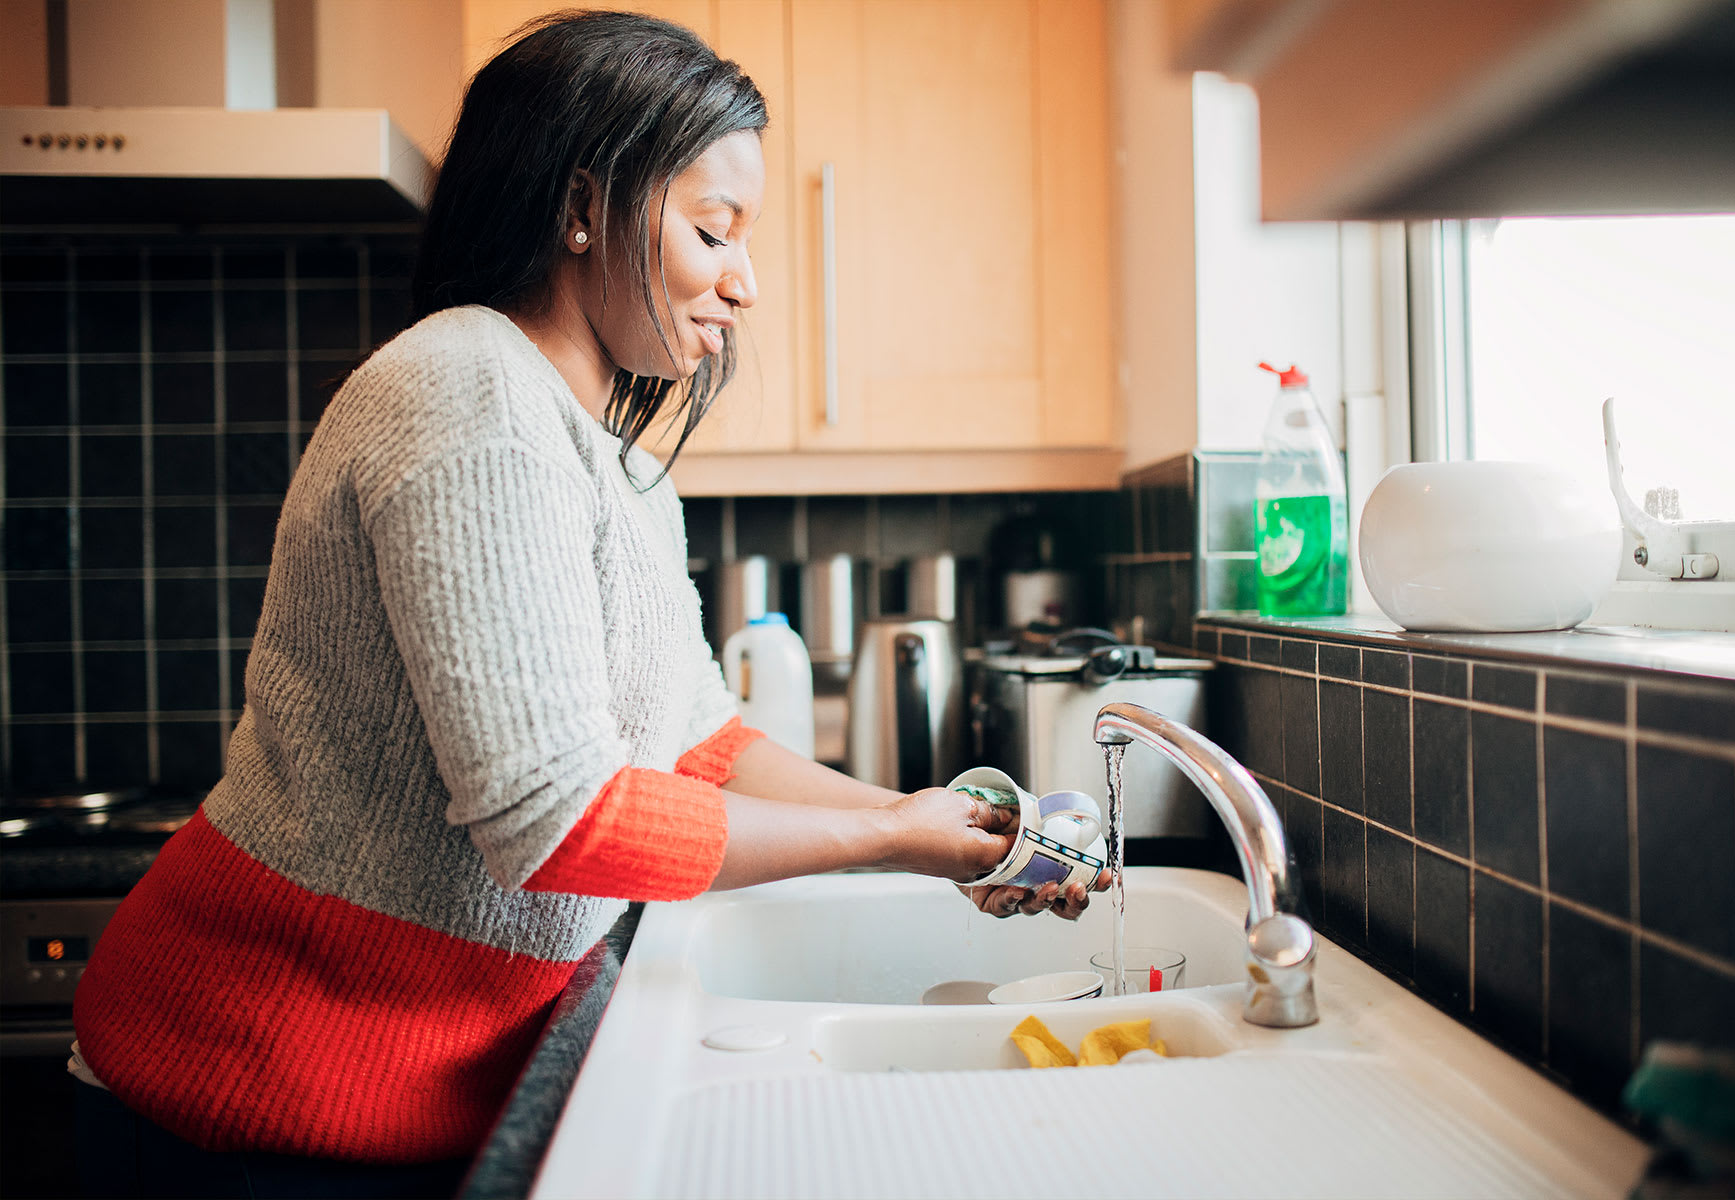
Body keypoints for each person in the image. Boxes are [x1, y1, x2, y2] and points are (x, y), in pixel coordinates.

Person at [69, 11, 1107, 1197]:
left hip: (412, 1086)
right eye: (714, 229)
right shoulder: (465, 391)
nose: (747, 282)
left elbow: (699, 745)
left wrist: (925, 822)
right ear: (581, 205)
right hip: (250, 1081)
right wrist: (886, 838)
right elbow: (557, 820)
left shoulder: (616, 463)